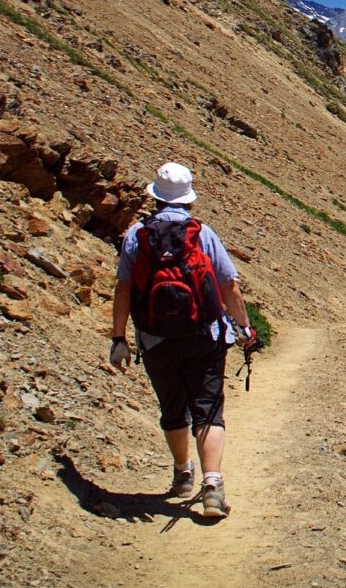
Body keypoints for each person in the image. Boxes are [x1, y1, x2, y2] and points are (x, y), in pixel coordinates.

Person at [108, 161, 257, 519]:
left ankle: (182, 472)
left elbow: (124, 289)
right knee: (208, 408)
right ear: (188, 198)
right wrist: (244, 329)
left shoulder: (135, 235)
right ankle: (213, 486)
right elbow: (229, 286)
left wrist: (118, 338)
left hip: (155, 338)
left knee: (173, 408)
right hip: (204, 335)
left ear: (155, 197)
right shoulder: (201, 233)